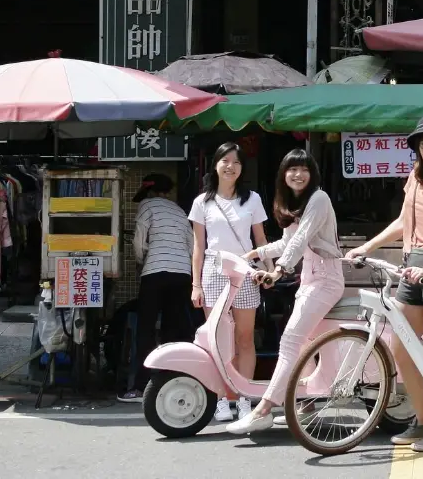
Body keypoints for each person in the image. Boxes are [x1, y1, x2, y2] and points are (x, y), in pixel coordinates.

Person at [345, 115, 423, 453]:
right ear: (417, 146)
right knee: (402, 348)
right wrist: (366, 246)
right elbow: (403, 222)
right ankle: (422, 420)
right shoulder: (415, 178)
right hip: (410, 269)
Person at [227, 149, 344, 434]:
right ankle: (305, 405)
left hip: (326, 279)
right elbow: (287, 241)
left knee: (291, 339)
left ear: (312, 173)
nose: (298, 174)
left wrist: (278, 271)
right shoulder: (299, 203)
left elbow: (300, 240)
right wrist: (255, 252)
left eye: (304, 169)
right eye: (292, 169)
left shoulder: (318, 198)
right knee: (300, 341)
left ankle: (264, 408)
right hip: (310, 278)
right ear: (284, 174)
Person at [189, 142, 269, 423]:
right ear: (216, 164)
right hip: (213, 271)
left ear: (241, 168)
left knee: (245, 338)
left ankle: (245, 397)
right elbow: (198, 247)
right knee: (219, 339)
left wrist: (269, 270)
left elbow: (260, 240)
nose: (230, 166)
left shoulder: (253, 199)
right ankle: (224, 398)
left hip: (245, 270)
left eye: (236, 162)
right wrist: (195, 285)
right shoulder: (202, 202)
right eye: (225, 160)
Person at [119, 173, 194, 403]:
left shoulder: (147, 205)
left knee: (146, 329)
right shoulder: (180, 211)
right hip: (182, 273)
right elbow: (191, 243)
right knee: (174, 328)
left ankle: (140, 387)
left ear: (149, 192)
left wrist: (141, 258)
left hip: (156, 273)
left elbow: (140, 236)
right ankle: (170, 383)